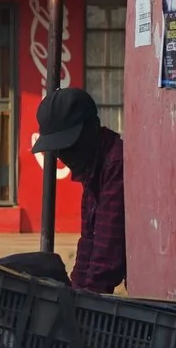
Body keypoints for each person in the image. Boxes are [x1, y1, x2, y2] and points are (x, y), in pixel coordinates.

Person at [27, 86, 126, 294]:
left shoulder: (116, 164)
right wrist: (74, 294)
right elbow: (88, 242)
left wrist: (84, 302)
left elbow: (107, 253)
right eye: (58, 150)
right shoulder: (91, 169)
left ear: (93, 128)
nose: (64, 156)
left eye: (69, 146)